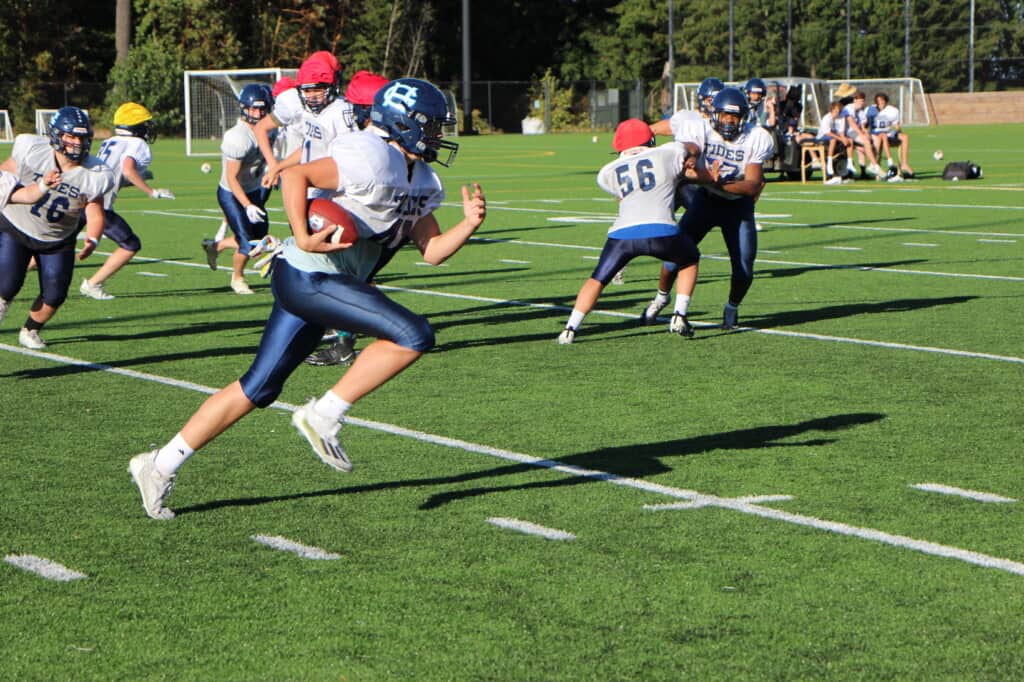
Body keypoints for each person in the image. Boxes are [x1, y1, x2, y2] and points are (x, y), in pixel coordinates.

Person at [128, 78, 486, 520]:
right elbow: (297, 175)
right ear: (404, 123)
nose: (438, 136)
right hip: (307, 275)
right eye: (431, 126)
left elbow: (431, 252)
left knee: (257, 388)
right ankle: (324, 414)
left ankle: (159, 464)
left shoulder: (422, 177)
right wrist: (301, 233)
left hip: (325, 284)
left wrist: (468, 224)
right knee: (414, 334)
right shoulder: (371, 153)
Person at [557, 119, 700, 344]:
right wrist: (691, 159)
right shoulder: (668, 152)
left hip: (622, 235)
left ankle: (570, 329)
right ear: (650, 139)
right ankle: (679, 315)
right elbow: (691, 146)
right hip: (662, 229)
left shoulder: (607, 172)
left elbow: (619, 192)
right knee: (690, 260)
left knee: (597, 279)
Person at [642, 87, 774, 330]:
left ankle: (732, 307)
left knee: (744, 269)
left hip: (737, 208)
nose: (730, 121)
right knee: (674, 256)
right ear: (715, 114)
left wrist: (714, 180)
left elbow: (752, 185)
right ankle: (661, 297)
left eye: (735, 116)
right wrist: (690, 157)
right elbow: (691, 146)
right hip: (706, 201)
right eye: (725, 115)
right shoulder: (700, 128)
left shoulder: (755, 136)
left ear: (743, 117)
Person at [0, 107, 114, 348]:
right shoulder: (32, 149)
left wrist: (93, 238)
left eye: (81, 138)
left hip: (57, 238)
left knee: (55, 295)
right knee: (6, 284)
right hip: (16, 226)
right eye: (70, 136)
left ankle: (30, 330)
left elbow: (94, 209)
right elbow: (5, 173)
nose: (76, 143)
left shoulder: (96, 173)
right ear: (56, 135)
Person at [305, 69, 391, 368]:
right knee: (352, 280)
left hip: (357, 213)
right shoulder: (350, 123)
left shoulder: (352, 131)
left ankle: (365, 334)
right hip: (378, 217)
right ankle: (349, 336)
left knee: (336, 279)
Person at [79, 102, 175, 300]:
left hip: (79, 196)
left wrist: (134, 181)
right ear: (136, 126)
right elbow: (127, 169)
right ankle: (93, 284)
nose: (148, 129)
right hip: (97, 204)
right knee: (130, 244)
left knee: (52, 245)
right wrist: (151, 192)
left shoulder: (110, 141)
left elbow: (114, 175)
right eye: (145, 124)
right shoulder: (138, 144)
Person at [201, 84, 275, 294]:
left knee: (259, 238)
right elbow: (232, 179)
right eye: (252, 109)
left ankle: (215, 246)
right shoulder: (238, 137)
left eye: (262, 109)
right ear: (243, 108)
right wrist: (247, 205)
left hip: (253, 188)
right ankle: (238, 278)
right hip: (232, 193)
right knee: (248, 244)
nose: (257, 114)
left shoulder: (270, 127)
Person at [253, 54, 355, 194]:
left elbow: (348, 158)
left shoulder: (340, 111)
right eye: (307, 90)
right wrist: (275, 166)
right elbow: (309, 147)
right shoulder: (296, 103)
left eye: (318, 89)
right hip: (307, 178)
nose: (312, 96)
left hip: (336, 184)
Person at [870, 92, 914, 179]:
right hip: (876, 135)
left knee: (904, 137)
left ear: (886, 101)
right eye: (878, 101)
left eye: (882, 100)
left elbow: (896, 125)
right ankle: (876, 165)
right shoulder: (872, 110)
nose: (880, 102)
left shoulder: (892, 110)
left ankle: (904, 163)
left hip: (888, 133)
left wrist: (899, 131)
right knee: (882, 136)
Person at [840, 91, 882, 178]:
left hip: (856, 132)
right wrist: (862, 135)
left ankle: (871, 165)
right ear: (854, 100)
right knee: (865, 142)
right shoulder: (849, 108)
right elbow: (852, 124)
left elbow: (862, 126)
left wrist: (866, 133)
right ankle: (875, 165)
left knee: (876, 139)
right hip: (848, 132)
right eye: (860, 101)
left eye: (863, 101)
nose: (862, 103)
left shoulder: (861, 111)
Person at [815, 100, 856, 183]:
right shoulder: (827, 118)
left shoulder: (841, 118)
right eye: (836, 110)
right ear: (832, 110)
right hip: (823, 137)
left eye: (839, 111)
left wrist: (844, 138)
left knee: (850, 140)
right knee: (833, 140)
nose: (837, 112)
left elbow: (841, 131)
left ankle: (850, 163)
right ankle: (829, 164)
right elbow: (828, 132)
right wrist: (841, 139)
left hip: (835, 137)